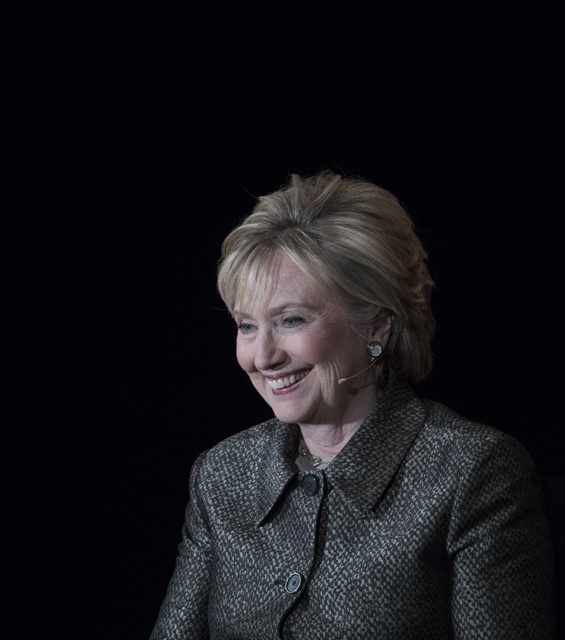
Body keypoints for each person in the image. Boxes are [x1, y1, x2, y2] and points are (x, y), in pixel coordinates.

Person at [149, 170, 556, 639]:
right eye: (246, 326)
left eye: (291, 319)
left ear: (378, 325)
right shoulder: (221, 474)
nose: (262, 357)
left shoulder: (472, 470)